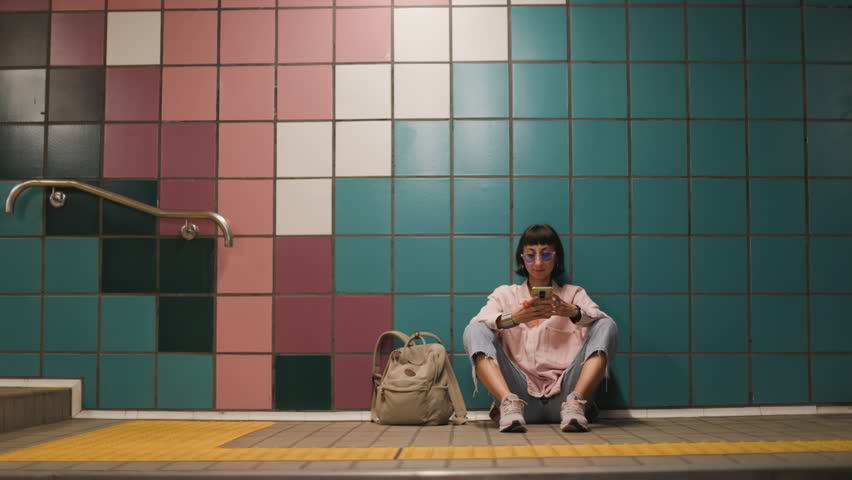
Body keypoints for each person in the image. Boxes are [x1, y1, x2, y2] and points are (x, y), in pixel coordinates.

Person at [463, 224, 618, 433]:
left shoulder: (572, 294)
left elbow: (600, 321)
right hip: (520, 399)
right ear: (522, 258)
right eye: (530, 255)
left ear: (556, 259)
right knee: (474, 329)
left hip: (567, 398)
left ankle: (576, 402)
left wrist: (571, 311)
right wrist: (514, 318)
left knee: (606, 324)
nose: (538, 263)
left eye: (546, 255)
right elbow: (480, 323)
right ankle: (507, 403)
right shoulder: (505, 295)